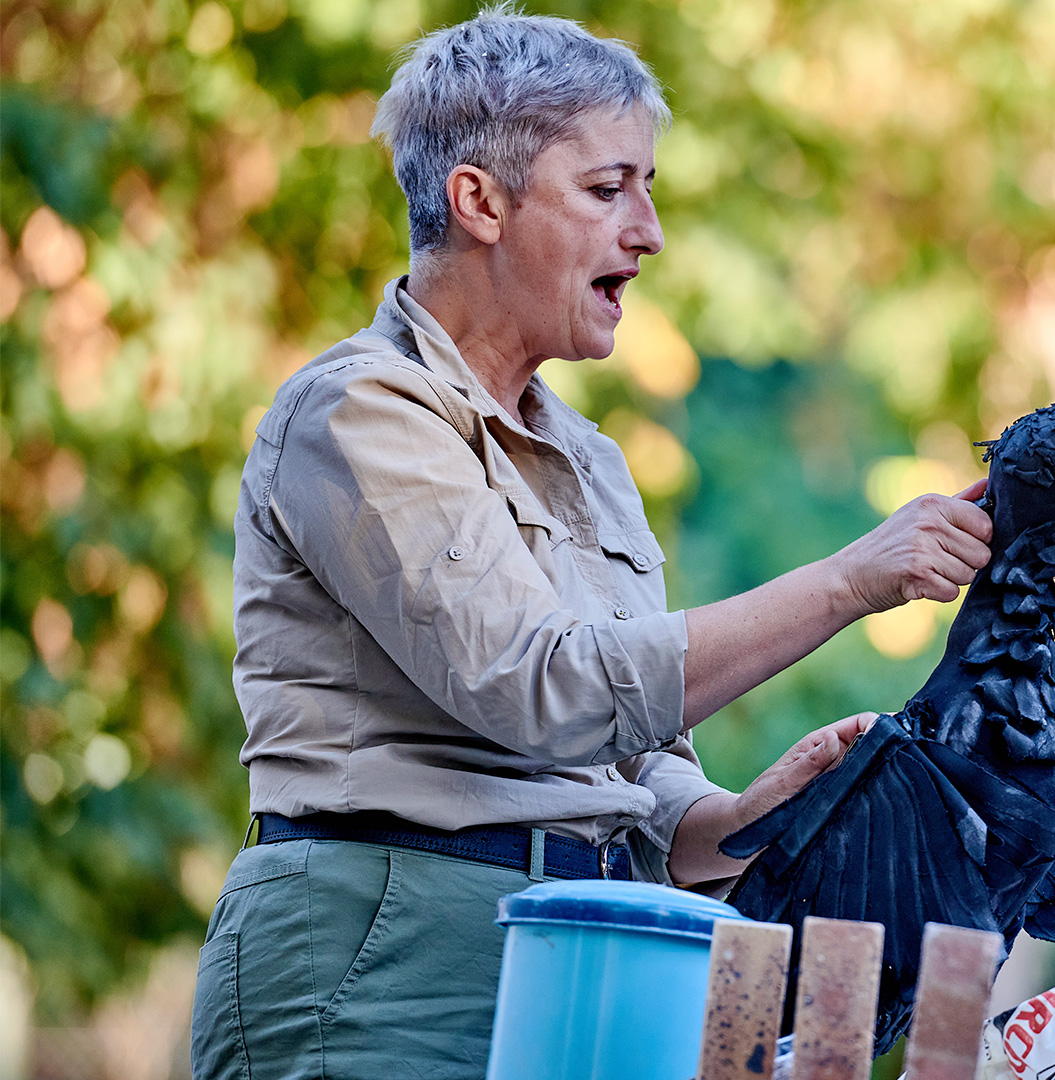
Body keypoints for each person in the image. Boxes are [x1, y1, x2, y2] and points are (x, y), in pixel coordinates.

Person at [189, 11, 993, 1079]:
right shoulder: (358, 415)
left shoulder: (593, 460)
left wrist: (739, 815)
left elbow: (630, 778)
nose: (651, 230)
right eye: (609, 189)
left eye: (647, 187)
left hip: (586, 954)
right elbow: (541, 689)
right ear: (479, 202)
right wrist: (851, 581)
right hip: (377, 965)